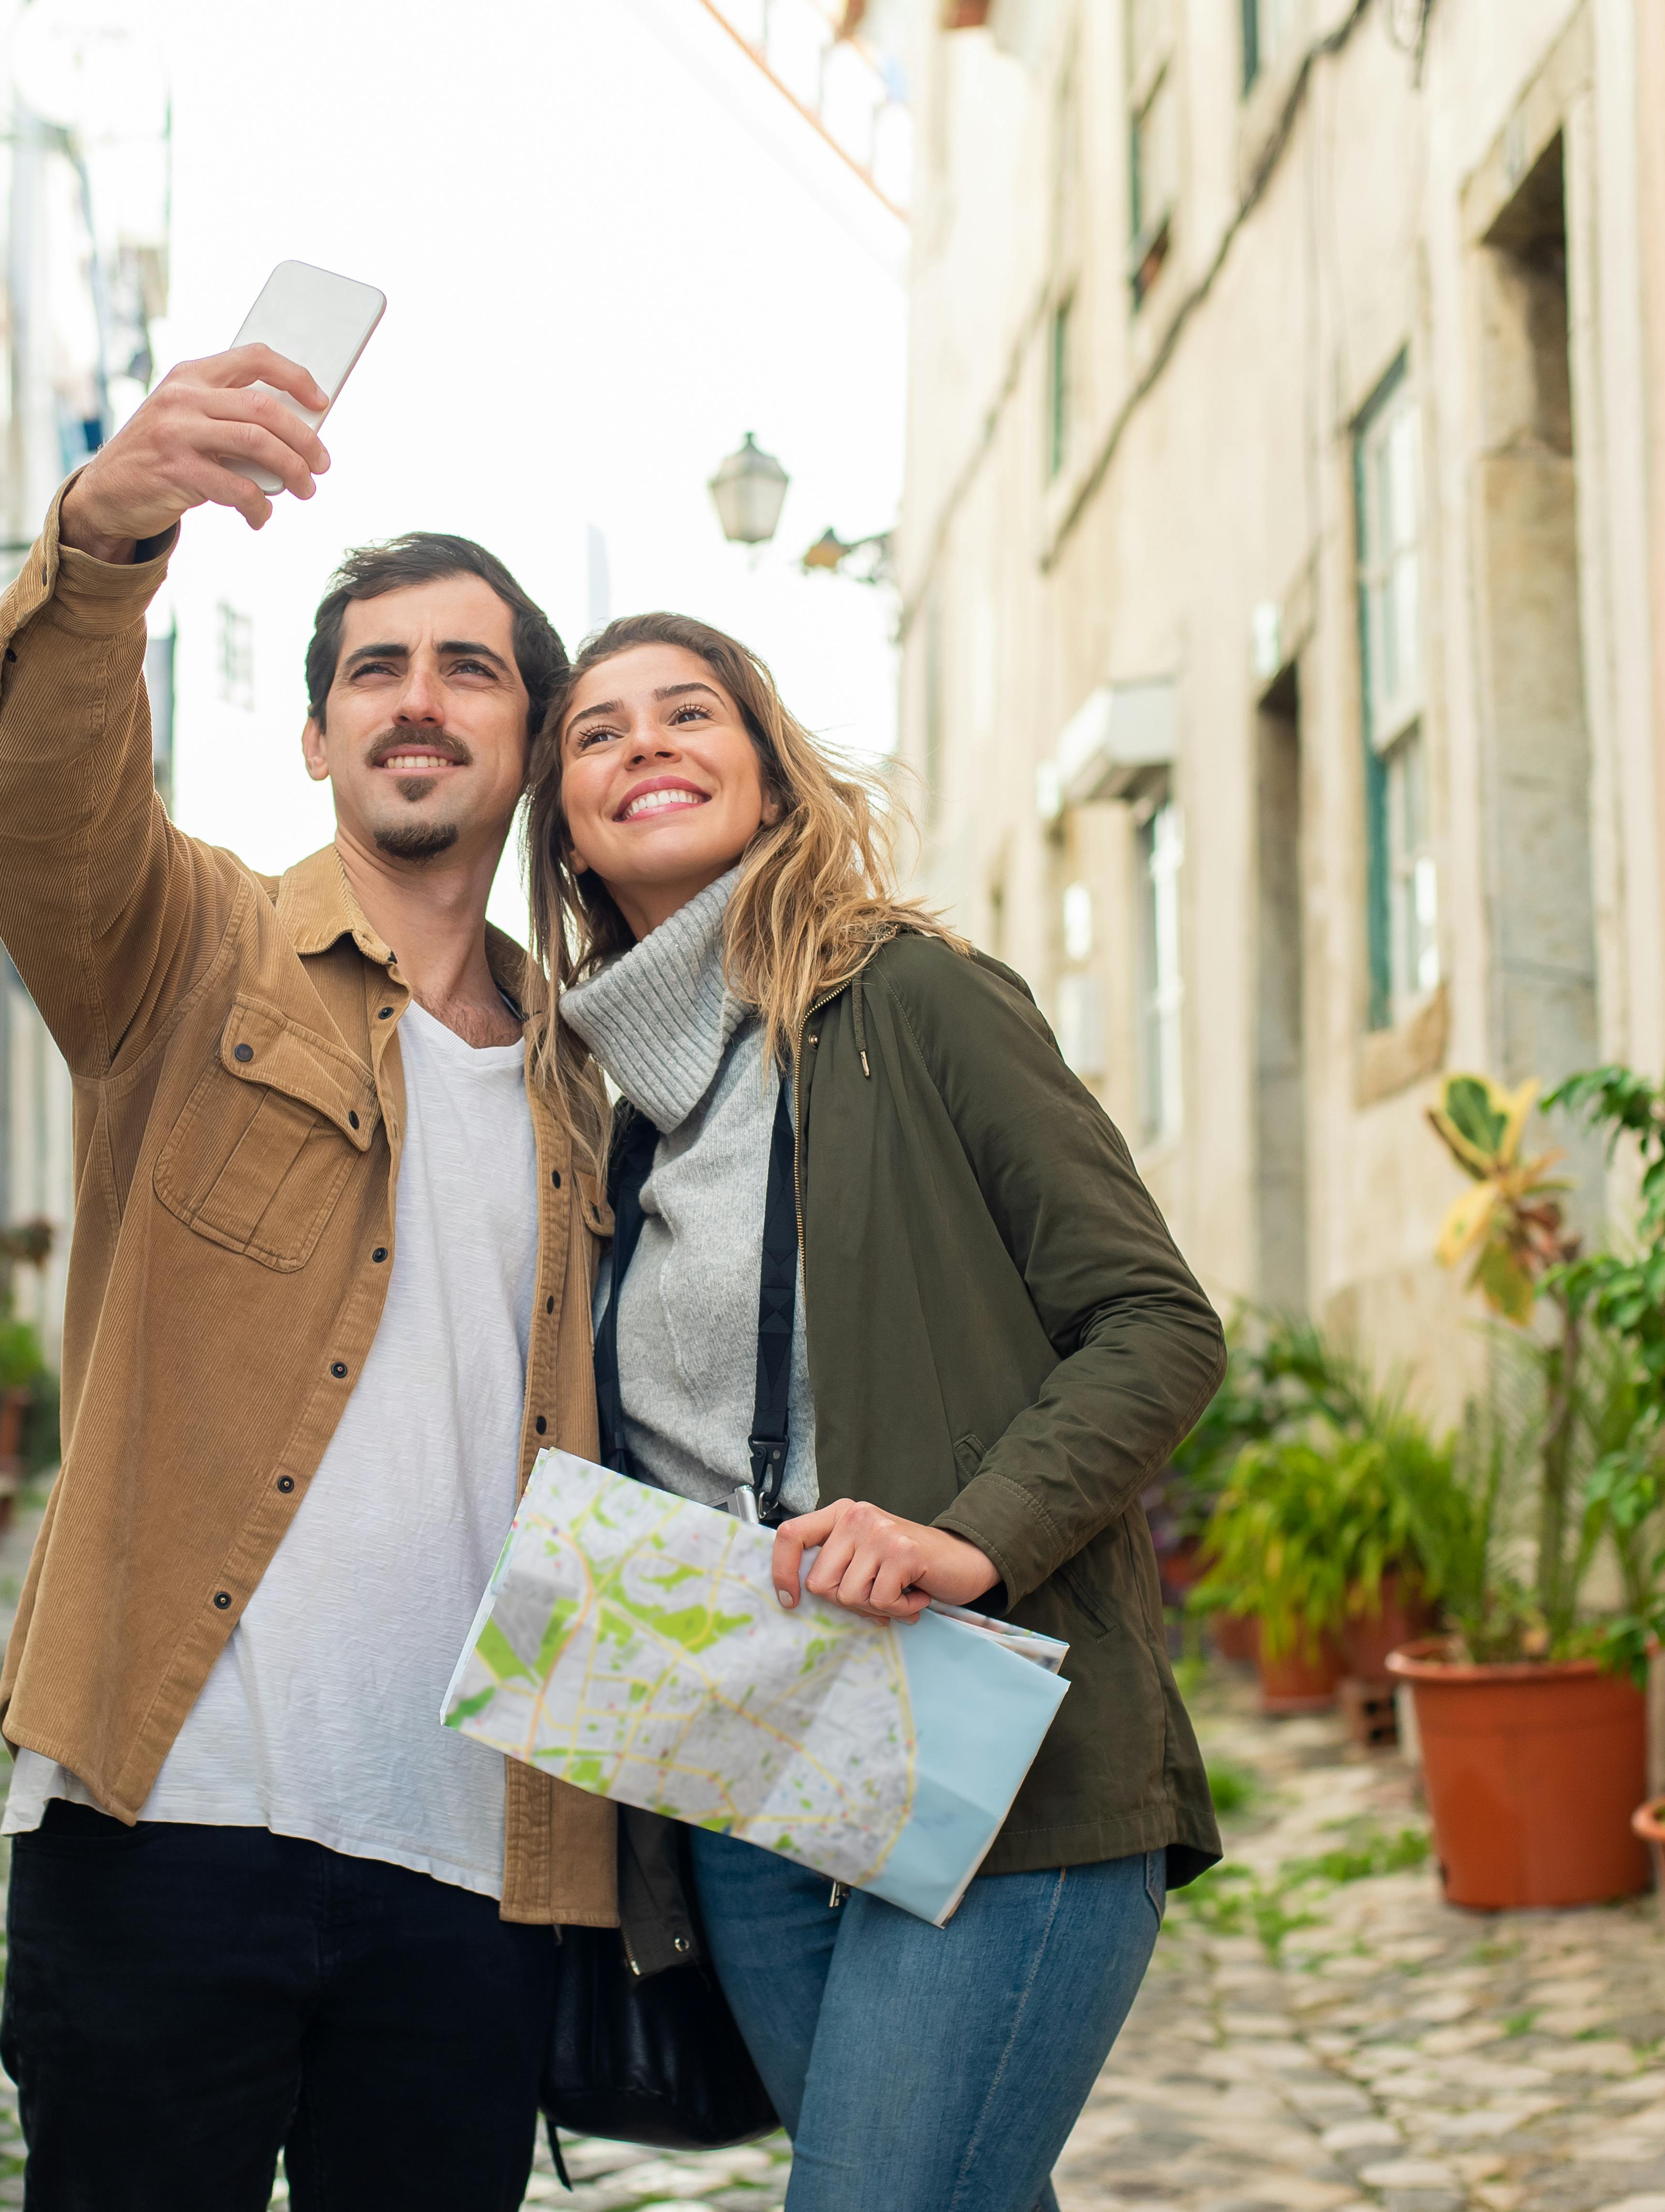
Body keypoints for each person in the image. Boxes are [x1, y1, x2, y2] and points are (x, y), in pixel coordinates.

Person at [0, 344, 617, 2211]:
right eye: (372, 671)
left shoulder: (602, 1070)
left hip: (477, 1849)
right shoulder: (184, 952)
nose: (417, 702)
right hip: (166, 1813)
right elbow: (37, 809)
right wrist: (101, 544)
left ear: (530, 736)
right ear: (314, 736)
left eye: (466, 667)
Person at [521, 610, 1228, 2211]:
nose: (646, 745)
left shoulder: (914, 1000)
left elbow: (1157, 1323)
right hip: (749, 1773)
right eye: (598, 732)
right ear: (561, 824)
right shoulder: (611, 1114)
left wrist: (969, 1537)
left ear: (767, 772)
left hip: (1001, 1754)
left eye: (689, 711)